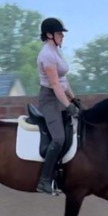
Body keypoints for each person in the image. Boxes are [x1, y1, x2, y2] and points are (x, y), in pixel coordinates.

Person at [35, 17, 81, 195]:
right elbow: (54, 85)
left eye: (62, 33)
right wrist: (68, 105)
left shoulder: (56, 51)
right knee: (59, 139)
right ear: (49, 34)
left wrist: (74, 99)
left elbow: (63, 81)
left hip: (60, 96)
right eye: (59, 33)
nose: (62, 35)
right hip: (50, 99)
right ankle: (44, 180)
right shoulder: (46, 54)